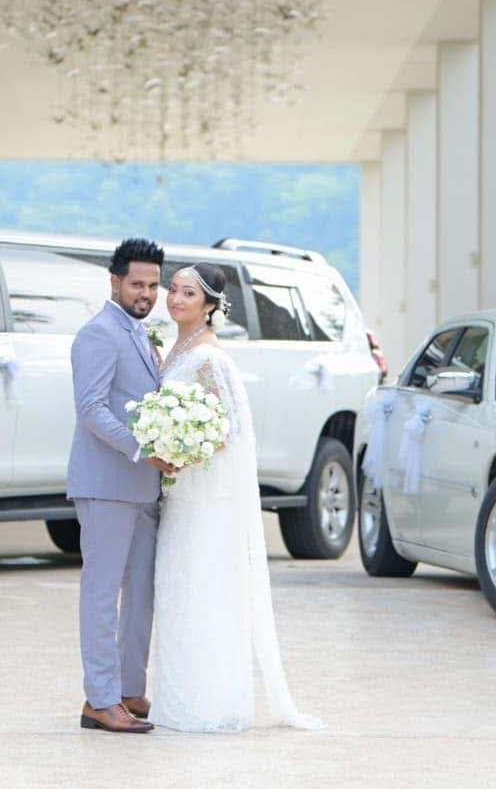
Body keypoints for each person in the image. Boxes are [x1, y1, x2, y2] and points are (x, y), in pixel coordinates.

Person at [146, 263, 321, 733]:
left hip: (203, 493)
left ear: (208, 306)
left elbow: (230, 430)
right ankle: (177, 699)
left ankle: (211, 705)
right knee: (177, 585)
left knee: (204, 586)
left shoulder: (211, 359)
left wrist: (182, 450)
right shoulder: (173, 347)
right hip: (178, 494)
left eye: (188, 293)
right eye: (174, 290)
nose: (176, 299)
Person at [68, 238, 174, 734]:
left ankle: (130, 690)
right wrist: (140, 449)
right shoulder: (98, 333)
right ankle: (100, 699)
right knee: (102, 593)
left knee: (141, 594)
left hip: (143, 486)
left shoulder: (140, 333)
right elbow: (91, 410)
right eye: (137, 284)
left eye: (153, 285)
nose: (146, 293)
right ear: (114, 282)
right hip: (107, 484)